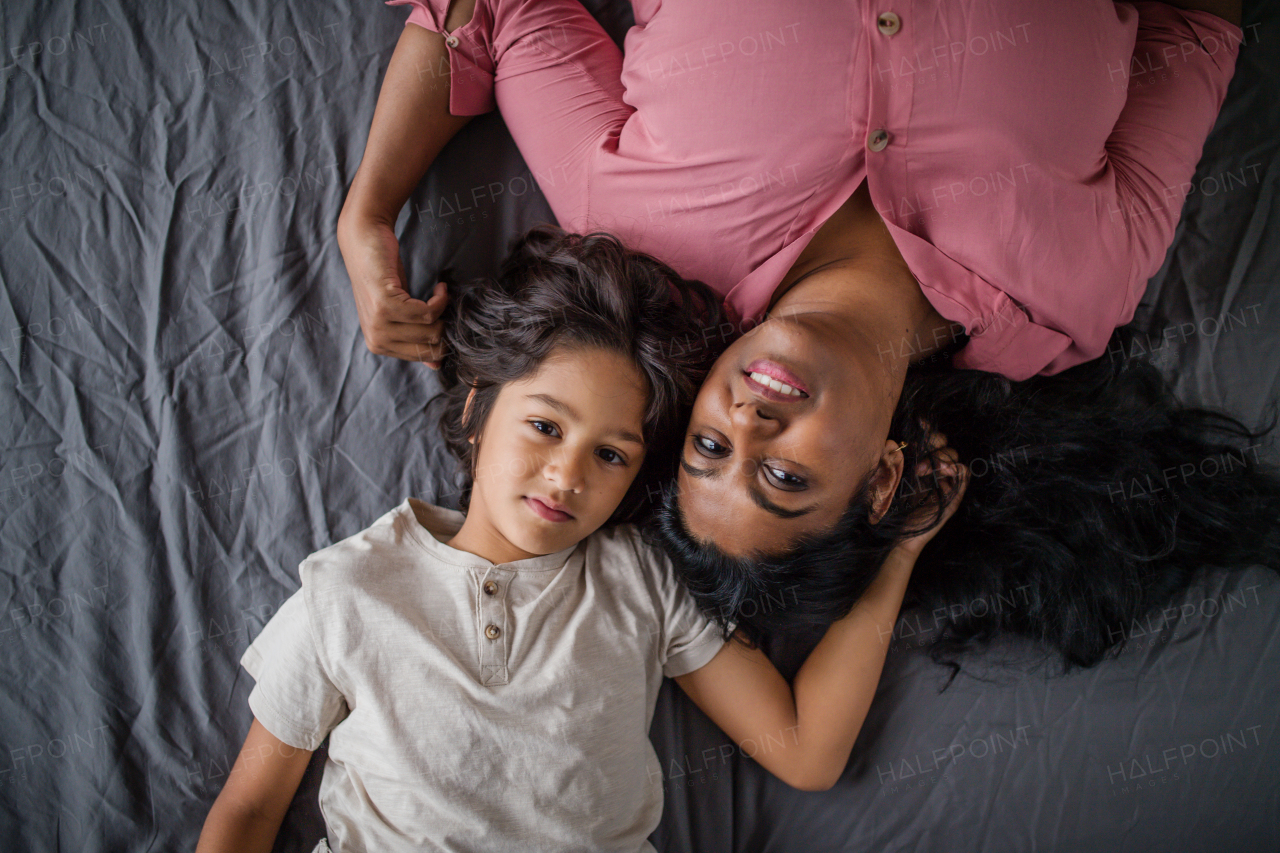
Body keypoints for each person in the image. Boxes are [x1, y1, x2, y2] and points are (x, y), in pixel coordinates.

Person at [338, 1, 1277, 679]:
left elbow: (494, 10)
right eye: (784, 477)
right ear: (883, 478)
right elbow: (1194, 28)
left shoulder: (635, 230)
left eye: (709, 446)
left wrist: (368, 215)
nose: (747, 423)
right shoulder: (1072, 300)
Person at [195, 227, 968, 852]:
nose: (566, 476)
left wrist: (902, 551)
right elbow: (249, 808)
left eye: (609, 455)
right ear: (475, 412)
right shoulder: (347, 589)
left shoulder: (638, 579)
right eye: (543, 425)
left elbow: (805, 749)